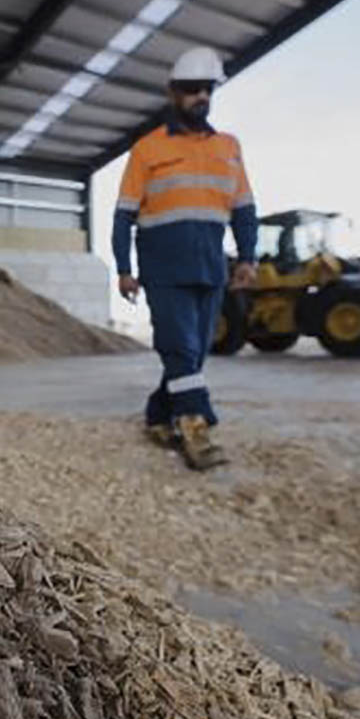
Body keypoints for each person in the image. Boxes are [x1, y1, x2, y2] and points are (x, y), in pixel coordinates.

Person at [111, 46, 258, 470]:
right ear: (173, 93)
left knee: (193, 355)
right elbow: (123, 215)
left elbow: (244, 209)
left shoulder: (229, 147)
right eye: (192, 89)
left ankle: (158, 416)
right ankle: (196, 426)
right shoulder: (147, 149)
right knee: (178, 348)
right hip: (163, 269)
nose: (201, 97)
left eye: (208, 89)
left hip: (211, 268)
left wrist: (247, 258)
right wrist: (124, 270)